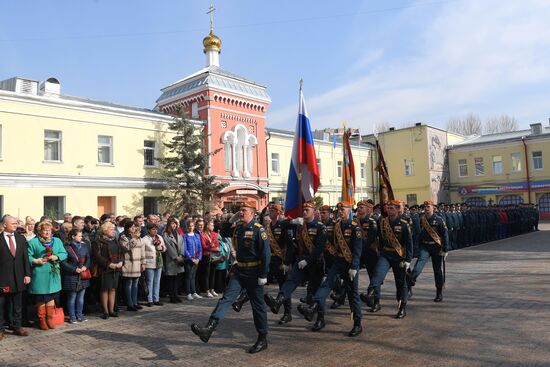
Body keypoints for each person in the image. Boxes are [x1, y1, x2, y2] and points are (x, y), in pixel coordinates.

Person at [191, 201, 271, 354]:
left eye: (244, 210)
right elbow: (224, 230)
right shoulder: (238, 229)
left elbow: (266, 254)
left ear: (252, 214)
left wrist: (263, 274)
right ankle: (209, 328)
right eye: (239, 210)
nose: (241, 213)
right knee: (226, 299)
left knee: (258, 306)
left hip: (254, 272)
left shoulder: (259, 230)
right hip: (239, 270)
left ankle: (262, 338)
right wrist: (230, 219)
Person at [298, 202, 363, 336]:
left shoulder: (355, 227)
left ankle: (357, 324)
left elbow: (357, 249)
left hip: (350, 264)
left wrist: (355, 266)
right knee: (326, 285)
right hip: (338, 262)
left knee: (353, 295)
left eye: (343, 209)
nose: (340, 211)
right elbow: (326, 239)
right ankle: (313, 307)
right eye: (339, 209)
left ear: (349, 210)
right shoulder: (335, 225)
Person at [264, 201, 327, 320]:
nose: (304, 212)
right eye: (303, 209)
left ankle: (320, 318)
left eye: (307, 210)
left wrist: (307, 260)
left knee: (316, 291)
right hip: (300, 260)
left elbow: (319, 248)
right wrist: (293, 221)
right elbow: (281, 224)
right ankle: (279, 301)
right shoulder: (299, 224)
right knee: (291, 281)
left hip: (315, 262)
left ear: (313, 212)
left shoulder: (320, 227)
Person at [364, 200, 413, 319]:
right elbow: (379, 237)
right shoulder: (382, 222)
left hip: (399, 255)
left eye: (391, 208)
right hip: (385, 254)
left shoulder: (403, 224)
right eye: (388, 208)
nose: (389, 210)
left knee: (401, 283)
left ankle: (402, 307)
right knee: (377, 274)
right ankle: (370, 294)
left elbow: (409, 243)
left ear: (397, 209)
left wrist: (408, 260)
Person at [27, 221, 68, 330]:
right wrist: (36, 260)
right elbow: (27, 256)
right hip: (39, 274)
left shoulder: (57, 241)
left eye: (49, 230)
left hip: (53, 274)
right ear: (39, 231)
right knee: (41, 298)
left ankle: (49, 318)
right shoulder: (33, 242)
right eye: (44, 230)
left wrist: (57, 257)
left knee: (51, 297)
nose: (47, 232)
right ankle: (42, 320)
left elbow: (64, 253)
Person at [408, 200, 449, 302]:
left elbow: (444, 234)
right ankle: (412, 279)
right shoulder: (421, 219)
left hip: (436, 247)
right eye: (425, 207)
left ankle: (439, 293)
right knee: (419, 265)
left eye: (428, 207)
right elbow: (418, 233)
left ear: (433, 208)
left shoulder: (439, 219)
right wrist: (417, 247)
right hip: (425, 246)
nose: (426, 208)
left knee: (437, 270)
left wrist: (445, 248)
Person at [0, 215, 31, 339]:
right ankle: (1, 329)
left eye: (16, 223)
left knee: (17, 304)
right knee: (1, 305)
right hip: (3, 278)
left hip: (18, 277)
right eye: (13, 223)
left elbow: (25, 258)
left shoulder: (21, 239)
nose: (15, 225)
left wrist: (27, 274)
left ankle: (17, 326)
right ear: (4, 225)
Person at [92, 222, 124, 319]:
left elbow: (121, 252)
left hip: (116, 268)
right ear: (105, 230)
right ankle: (105, 311)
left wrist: (121, 262)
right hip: (105, 269)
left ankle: (111, 310)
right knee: (105, 289)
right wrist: (109, 264)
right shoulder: (97, 241)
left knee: (113, 289)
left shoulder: (115, 240)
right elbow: (98, 257)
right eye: (111, 229)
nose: (113, 231)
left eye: (114, 229)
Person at [61, 228, 92, 323]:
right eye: (79, 236)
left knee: (81, 297)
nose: (81, 237)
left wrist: (85, 267)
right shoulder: (66, 247)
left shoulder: (84, 246)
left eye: (81, 235)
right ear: (73, 236)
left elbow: (88, 258)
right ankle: (72, 316)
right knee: (72, 297)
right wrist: (74, 269)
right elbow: (63, 262)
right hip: (71, 276)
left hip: (83, 275)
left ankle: (80, 315)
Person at [119, 219, 146, 311]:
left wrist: (143, 262)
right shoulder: (123, 237)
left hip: (137, 263)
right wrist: (134, 238)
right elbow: (126, 248)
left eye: (135, 227)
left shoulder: (138, 237)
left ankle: (135, 302)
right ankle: (129, 304)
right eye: (132, 227)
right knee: (129, 284)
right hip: (129, 263)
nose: (134, 229)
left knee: (135, 284)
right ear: (127, 228)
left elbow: (142, 250)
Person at [142, 223, 166, 307]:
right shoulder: (145, 239)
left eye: (156, 229)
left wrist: (162, 248)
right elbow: (142, 252)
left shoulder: (159, 237)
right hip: (149, 262)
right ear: (148, 230)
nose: (155, 231)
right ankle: (149, 300)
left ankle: (156, 299)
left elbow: (164, 248)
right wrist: (143, 262)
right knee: (149, 281)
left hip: (159, 262)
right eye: (153, 229)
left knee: (157, 281)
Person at [163, 218, 186, 303]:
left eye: (175, 224)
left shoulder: (178, 233)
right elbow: (168, 247)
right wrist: (176, 257)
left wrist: (181, 255)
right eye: (172, 224)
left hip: (179, 259)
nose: (174, 225)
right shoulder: (165, 234)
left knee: (177, 279)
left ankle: (176, 295)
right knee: (171, 279)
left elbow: (182, 244)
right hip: (171, 260)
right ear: (169, 224)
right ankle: (172, 297)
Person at [199, 220, 221, 298]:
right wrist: (211, 246)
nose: (213, 227)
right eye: (212, 225)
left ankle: (212, 289)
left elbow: (217, 244)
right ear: (207, 226)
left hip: (214, 255)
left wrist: (212, 247)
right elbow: (203, 246)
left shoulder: (214, 234)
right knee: (207, 274)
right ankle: (207, 290)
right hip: (206, 255)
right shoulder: (202, 234)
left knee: (213, 273)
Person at [183, 220, 202, 301]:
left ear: (194, 227)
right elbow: (184, 249)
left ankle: (194, 292)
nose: (191, 227)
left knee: (193, 276)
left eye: (192, 226)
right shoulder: (185, 236)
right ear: (187, 227)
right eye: (189, 226)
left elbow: (200, 248)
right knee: (188, 276)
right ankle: (188, 293)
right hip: (188, 260)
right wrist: (191, 258)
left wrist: (198, 258)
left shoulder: (197, 235)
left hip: (196, 259)